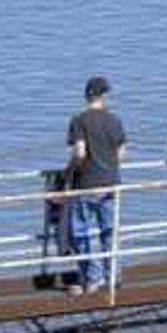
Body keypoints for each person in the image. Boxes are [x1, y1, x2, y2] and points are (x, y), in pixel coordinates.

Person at [59, 78, 125, 293]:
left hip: (86, 183)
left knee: (80, 232)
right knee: (109, 231)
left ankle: (92, 278)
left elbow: (79, 152)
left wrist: (69, 170)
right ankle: (112, 276)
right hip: (110, 184)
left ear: (86, 96)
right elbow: (122, 153)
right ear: (104, 96)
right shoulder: (115, 120)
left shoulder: (79, 120)